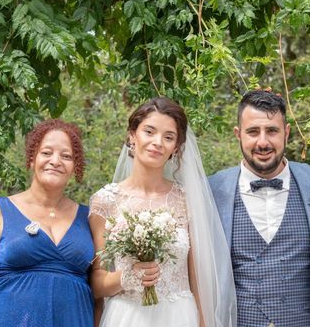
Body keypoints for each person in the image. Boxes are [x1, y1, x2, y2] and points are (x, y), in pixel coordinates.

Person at [89, 97, 236, 327]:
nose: (157, 142)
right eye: (149, 131)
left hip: (179, 316)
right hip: (126, 317)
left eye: (168, 137)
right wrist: (126, 277)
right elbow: (97, 282)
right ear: (132, 135)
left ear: (175, 148)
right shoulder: (105, 201)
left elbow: (196, 278)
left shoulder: (186, 200)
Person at [208, 89, 310, 327]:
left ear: (286, 133)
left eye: (272, 131)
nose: (263, 142)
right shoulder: (213, 190)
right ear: (238, 134)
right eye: (253, 132)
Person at [0, 119, 94, 326]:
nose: (55, 161)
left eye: (66, 156)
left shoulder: (90, 219)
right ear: (32, 159)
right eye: (47, 153)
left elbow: (99, 295)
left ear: (75, 167)